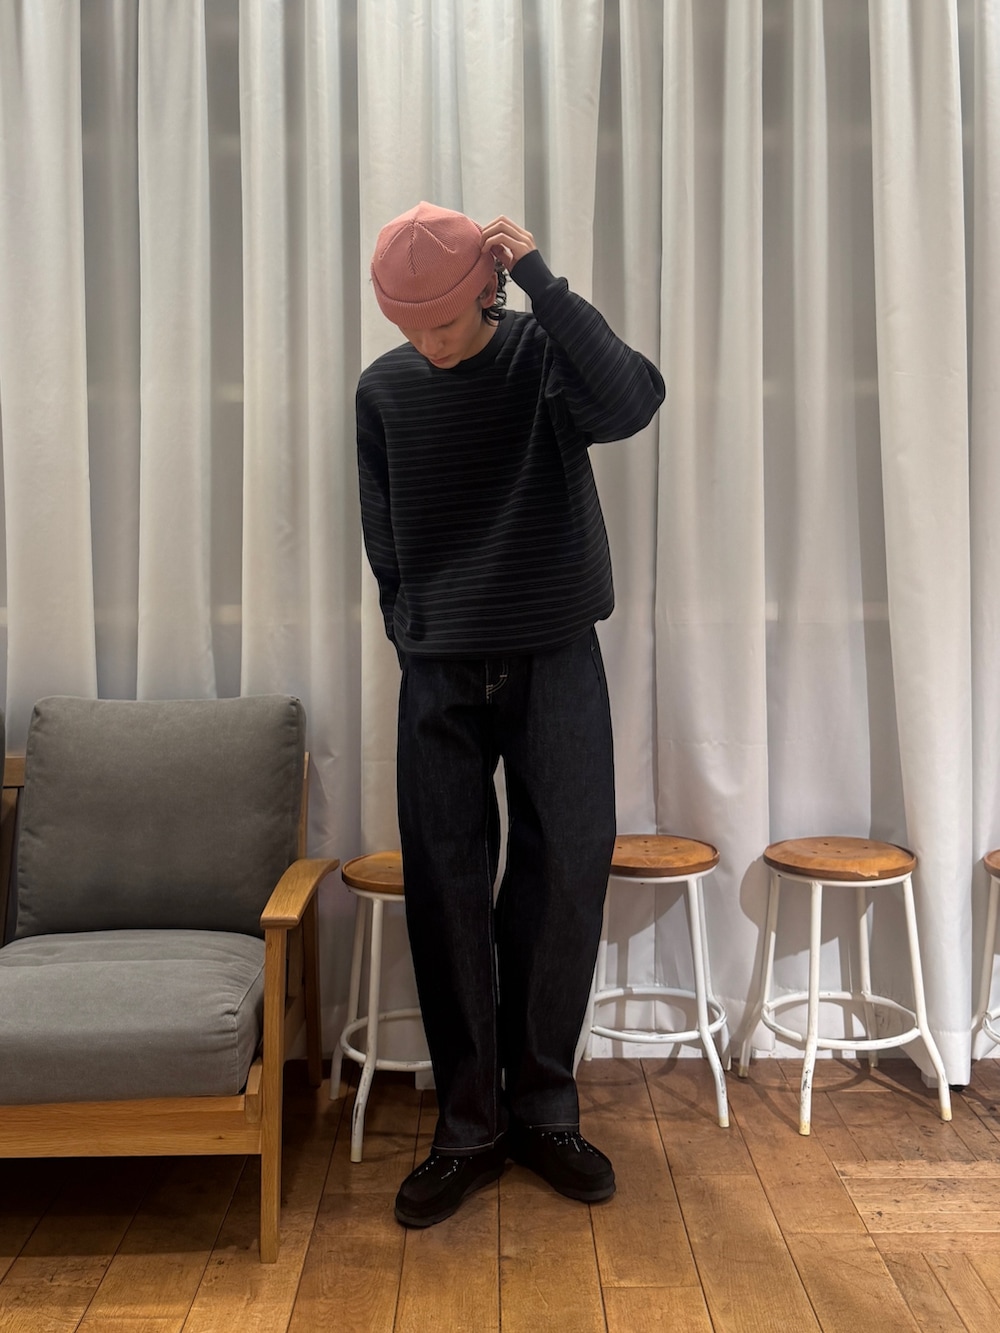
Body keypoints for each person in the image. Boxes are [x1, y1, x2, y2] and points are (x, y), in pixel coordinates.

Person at [356, 201, 665, 1228]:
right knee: (445, 888)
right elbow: (384, 536)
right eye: (411, 327)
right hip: (439, 669)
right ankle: (468, 1127)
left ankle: (544, 1111)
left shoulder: (542, 356)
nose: (429, 345)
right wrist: (413, 629)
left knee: (565, 874)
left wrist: (547, 282)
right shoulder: (384, 389)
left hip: (554, 653)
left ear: (486, 291)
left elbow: (632, 401)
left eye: (443, 324)